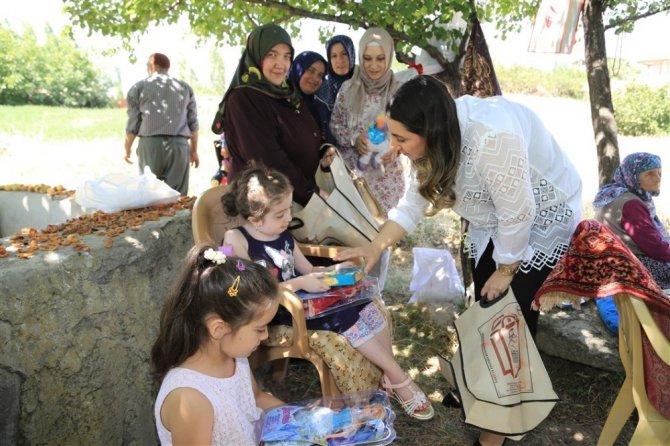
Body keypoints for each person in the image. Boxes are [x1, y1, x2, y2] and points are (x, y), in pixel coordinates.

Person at [335, 76, 582, 446]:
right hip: (496, 218)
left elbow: (518, 213)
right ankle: (476, 388)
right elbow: (413, 204)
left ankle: (498, 427)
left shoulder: (491, 138)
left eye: (402, 139)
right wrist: (376, 247)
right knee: (481, 303)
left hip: (542, 215)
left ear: (430, 131)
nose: (396, 148)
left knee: (507, 318)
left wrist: (506, 270)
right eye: (394, 137)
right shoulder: (435, 137)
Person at [221, 166, 434, 421]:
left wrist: (336, 271)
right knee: (343, 318)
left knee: (366, 302)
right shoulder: (236, 239)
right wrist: (301, 283)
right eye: (280, 214)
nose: (288, 218)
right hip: (278, 310)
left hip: (306, 302)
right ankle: (399, 378)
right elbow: (251, 293)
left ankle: (385, 377)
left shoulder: (282, 234)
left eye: (289, 210)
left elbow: (309, 269)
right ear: (255, 218)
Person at [150, 244, 283, 445]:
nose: (265, 336)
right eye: (259, 328)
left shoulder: (236, 360)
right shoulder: (190, 399)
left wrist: (301, 420)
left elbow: (256, 399)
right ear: (218, 328)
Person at [212, 24, 325, 207]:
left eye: (286, 56)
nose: (281, 64)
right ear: (257, 55)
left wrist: (323, 150)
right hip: (263, 210)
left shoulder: (288, 93)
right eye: (272, 54)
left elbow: (308, 133)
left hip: (293, 201)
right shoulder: (244, 99)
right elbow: (267, 160)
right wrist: (312, 194)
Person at [330, 27, 405, 215]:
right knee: (353, 236)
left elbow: (410, 131)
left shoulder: (400, 92)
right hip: (351, 178)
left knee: (383, 237)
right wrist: (355, 139)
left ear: (388, 57)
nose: (373, 66)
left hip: (386, 182)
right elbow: (335, 125)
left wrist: (397, 148)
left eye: (380, 58)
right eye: (367, 58)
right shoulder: (348, 89)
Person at [124, 53, 199, 195]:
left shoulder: (139, 87)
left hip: (150, 145)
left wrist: (127, 148)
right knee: (178, 197)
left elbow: (133, 123)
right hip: (179, 146)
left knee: (148, 194)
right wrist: (194, 150)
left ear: (152, 66)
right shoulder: (184, 87)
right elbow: (193, 123)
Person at [593, 152, 669, 288]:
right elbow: (655, 247)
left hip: (614, 263)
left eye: (659, 173)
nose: (658, 178)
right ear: (633, 176)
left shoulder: (611, 193)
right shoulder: (631, 203)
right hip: (633, 267)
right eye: (650, 174)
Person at [315, 35, 356, 144]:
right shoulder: (321, 88)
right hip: (331, 153)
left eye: (344, 54)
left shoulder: (363, 82)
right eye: (334, 56)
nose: (340, 60)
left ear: (351, 54)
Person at [288, 51, 329, 143]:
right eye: (310, 70)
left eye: (320, 75)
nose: (315, 79)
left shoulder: (319, 108)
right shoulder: (281, 102)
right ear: (297, 70)